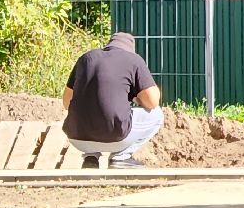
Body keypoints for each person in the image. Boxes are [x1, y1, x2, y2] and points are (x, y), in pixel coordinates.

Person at [60, 32, 165, 168]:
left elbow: (66, 102)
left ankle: (90, 158)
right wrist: (135, 97)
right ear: (130, 49)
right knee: (157, 115)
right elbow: (153, 102)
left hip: (77, 138)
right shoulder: (133, 60)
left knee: (89, 113)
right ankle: (121, 158)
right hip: (115, 136)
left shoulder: (85, 58)